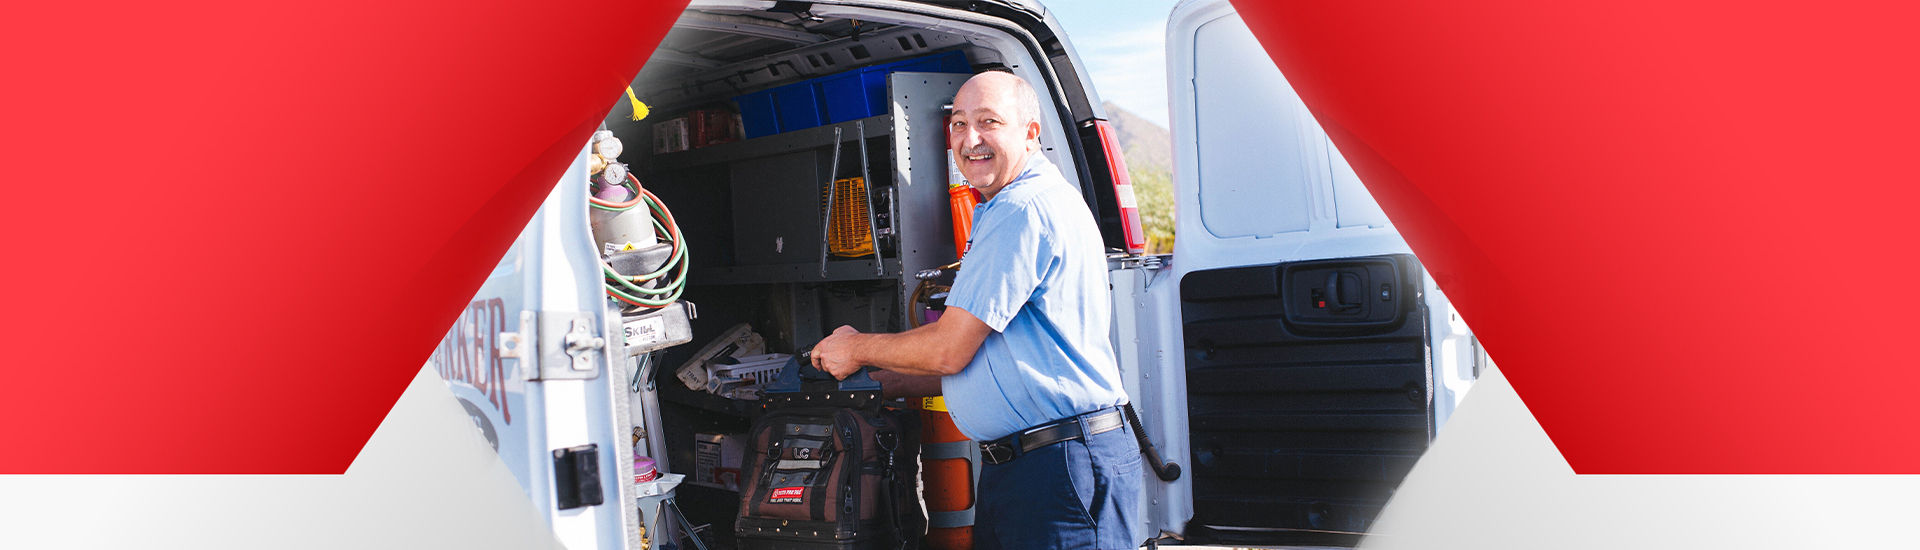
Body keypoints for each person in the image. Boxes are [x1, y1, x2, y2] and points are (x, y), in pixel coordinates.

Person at [810, 70, 1143, 549]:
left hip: (1058, 470)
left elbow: (949, 349)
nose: (971, 140)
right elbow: (1001, 355)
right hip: (1035, 466)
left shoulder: (1022, 210)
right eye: (960, 124)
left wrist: (857, 349)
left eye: (989, 122)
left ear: (1031, 132)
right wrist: (892, 379)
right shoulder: (1017, 204)